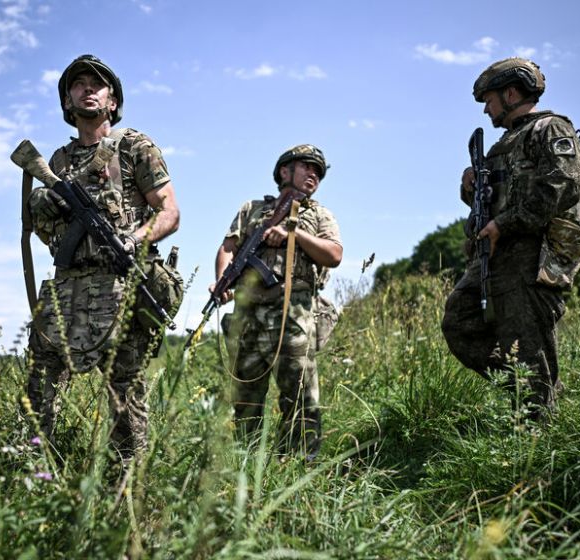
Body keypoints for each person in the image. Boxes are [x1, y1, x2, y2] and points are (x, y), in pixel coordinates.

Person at [24, 54, 182, 461]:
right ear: (66, 102)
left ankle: (127, 486)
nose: (88, 89)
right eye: (78, 84)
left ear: (112, 100)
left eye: (98, 83)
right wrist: (52, 212)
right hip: (67, 285)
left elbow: (169, 213)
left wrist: (132, 239)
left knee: (124, 391)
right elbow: (43, 231)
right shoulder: (57, 163)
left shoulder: (134, 147)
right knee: (40, 381)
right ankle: (33, 468)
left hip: (119, 282)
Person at [441, 57, 580, 422]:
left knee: (528, 345)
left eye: (489, 100)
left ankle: (539, 426)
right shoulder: (503, 145)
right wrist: (471, 184)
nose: (487, 109)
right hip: (496, 258)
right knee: (459, 320)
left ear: (511, 93)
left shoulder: (550, 129)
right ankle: (533, 392)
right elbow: (495, 200)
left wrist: (506, 224)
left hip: (532, 259)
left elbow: (564, 185)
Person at [212, 145, 342, 459]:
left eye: (318, 172)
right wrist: (222, 282)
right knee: (246, 396)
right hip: (249, 314)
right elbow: (228, 248)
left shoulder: (319, 214)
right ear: (285, 172)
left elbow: (334, 254)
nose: (313, 174)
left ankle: (299, 464)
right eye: (306, 167)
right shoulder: (252, 209)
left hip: (294, 314)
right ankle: (246, 464)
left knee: (300, 396)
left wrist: (293, 235)